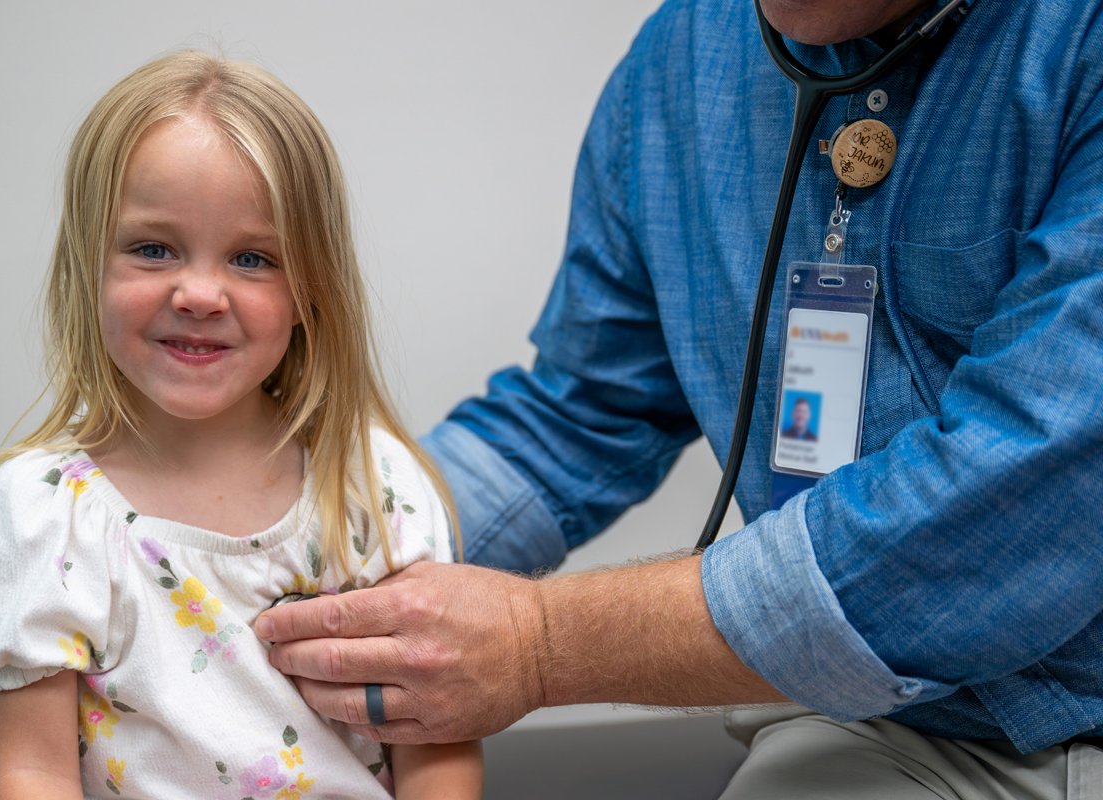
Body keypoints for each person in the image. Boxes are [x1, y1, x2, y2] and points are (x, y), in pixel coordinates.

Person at [256, 0, 1103, 796]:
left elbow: (1013, 505)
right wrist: (287, 538)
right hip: (888, 724)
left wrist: (539, 645)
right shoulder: (682, 61)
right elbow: (576, 415)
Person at [0, 51, 482, 799]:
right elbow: (32, 771)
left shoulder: (375, 486)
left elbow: (439, 749)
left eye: (252, 258)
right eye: (152, 248)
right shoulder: (39, 516)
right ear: (87, 265)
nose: (200, 292)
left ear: (311, 288)